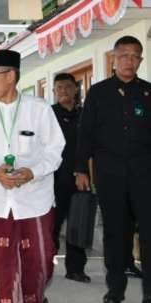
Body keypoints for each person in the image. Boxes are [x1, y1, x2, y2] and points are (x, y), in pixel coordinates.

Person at [0, 49, 65, 303]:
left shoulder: (38, 108)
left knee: (40, 260)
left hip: (35, 199)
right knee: (4, 264)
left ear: (11, 76)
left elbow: (55, 150)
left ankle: (34, 297)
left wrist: (33, 172)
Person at [76, 35, 151, 303]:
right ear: (114, 58)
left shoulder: (148, 91)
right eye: (124, 56)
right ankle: (115, 289)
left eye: (135, 56)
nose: (130, 61)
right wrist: (81, 169)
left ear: (140, 60)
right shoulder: (98, 92)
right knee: (115, 233)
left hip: (145, 176)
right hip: (110, 175)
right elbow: (84, 135)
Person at [50, 73, 90, 283]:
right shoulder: (48, 115)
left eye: (67, 87)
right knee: (51, 227)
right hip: (53, 181)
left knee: (78, 225)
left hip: (80, 179)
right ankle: (45, 265)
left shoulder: (85, 115)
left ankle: (75, 269)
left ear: (76, 89)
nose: (63, 91)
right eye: (59, 88)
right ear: (54, 91)